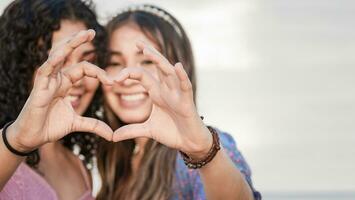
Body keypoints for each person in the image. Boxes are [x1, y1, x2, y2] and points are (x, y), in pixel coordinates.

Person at [97, 4, 261, 200]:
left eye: (147, 62)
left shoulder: (201, 151)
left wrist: (204, 153)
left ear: (179, 69)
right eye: (114, 63)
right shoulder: (117, 160)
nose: (129, 75)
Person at [0, 0, 111, 199]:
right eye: (58, 60)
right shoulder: (6, 149)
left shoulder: (79, 166)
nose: (76, 77)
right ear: (20, 66)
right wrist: (16, 143)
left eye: (88, 60)